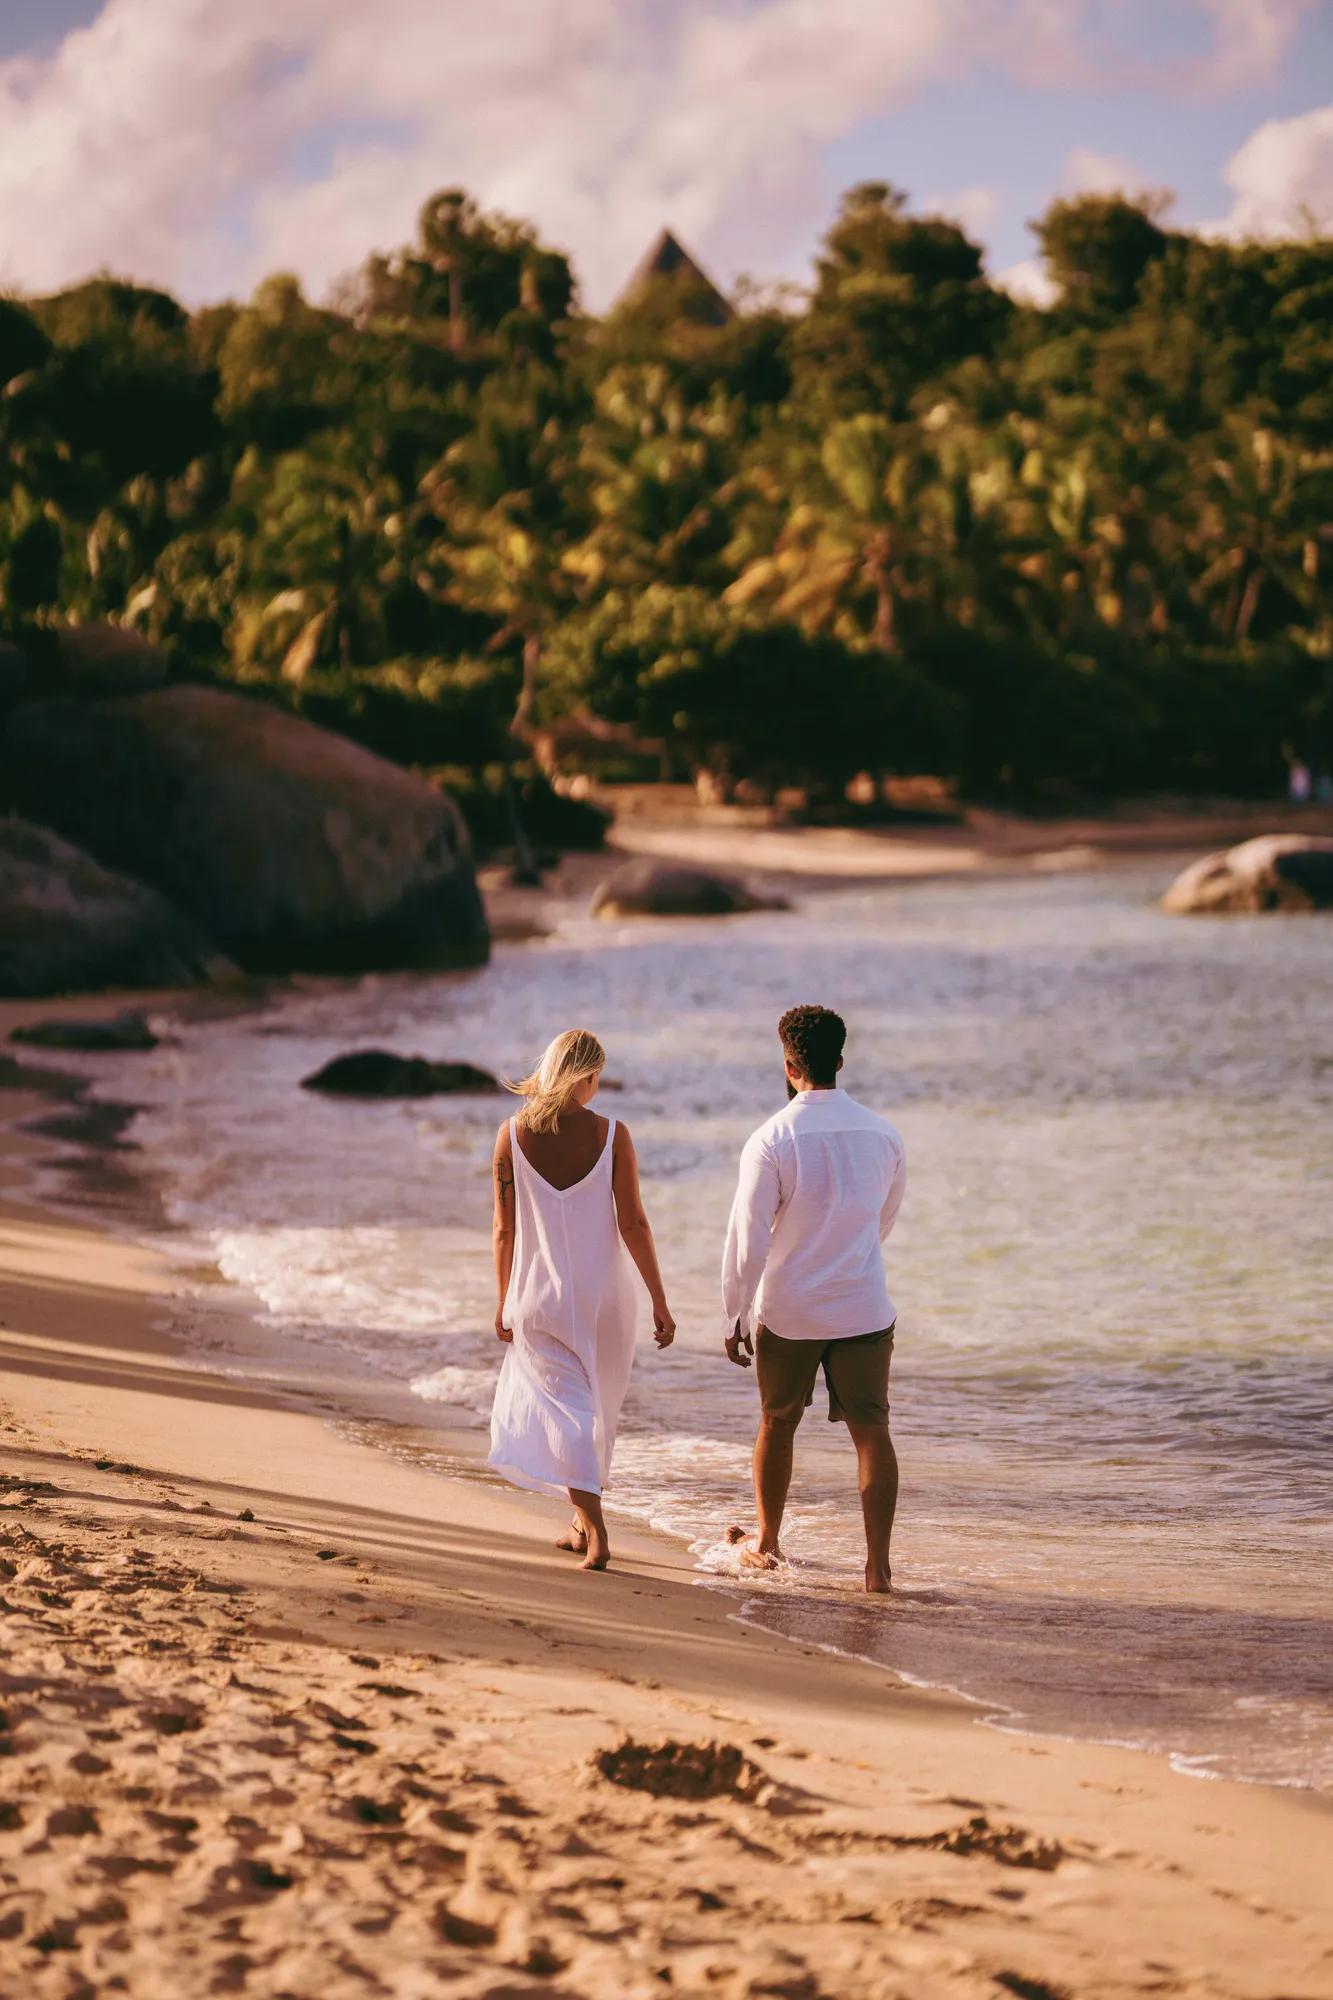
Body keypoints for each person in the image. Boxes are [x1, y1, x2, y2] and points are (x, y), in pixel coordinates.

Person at [721, 1005, 907, 1593]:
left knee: (777, 1422)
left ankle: (767, 1543)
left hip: (791, 1311)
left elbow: (748, 1238)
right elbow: (883, 1220)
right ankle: (877, 1570)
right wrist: (846, 1258)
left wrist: (734, 1312)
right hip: (863, 1305)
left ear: (788, 1065)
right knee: (872, 1432)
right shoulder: (883, 1134)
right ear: (841, 1061)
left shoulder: (771, 1139)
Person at [489, 1028, 675, 1571]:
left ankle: (583, 1526)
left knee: (568, 1413)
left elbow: (503, 1229)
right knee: (594, 1416)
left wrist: (502, 1299)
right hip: (606, 1302)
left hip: (538, 1296)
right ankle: (594, 1526)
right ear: (588, 1077)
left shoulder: (511, 1135)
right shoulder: (613, 1135)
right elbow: (634, 1223)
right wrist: (659, 1300)